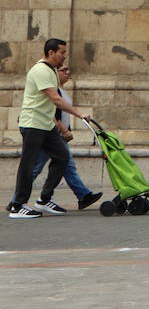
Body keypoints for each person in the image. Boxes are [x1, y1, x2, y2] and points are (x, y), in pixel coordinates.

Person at [8, 38, 90, 219]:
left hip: (46, 125)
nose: (64, 56)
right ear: (51, 52)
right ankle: (17, 206)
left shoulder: (52, 71)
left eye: (64, 52)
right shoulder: (40, 71)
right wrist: (79, 114)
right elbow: (56, 99)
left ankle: (44, 199)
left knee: (62, 157)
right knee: (28, 165)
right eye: (61, 52)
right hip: (33, 124)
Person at [29, 64, 102, 210]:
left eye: (69, 69)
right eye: (63, 70)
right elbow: (51, 114)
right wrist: (64, 130)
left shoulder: (61, 90)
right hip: (51, 135)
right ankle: (18, 201)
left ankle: (82, 195)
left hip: (57, 135)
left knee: (67, 166)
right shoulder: (53, 91)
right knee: (36, 168)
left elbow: (63, 113)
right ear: (55, 73)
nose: (68, 72)